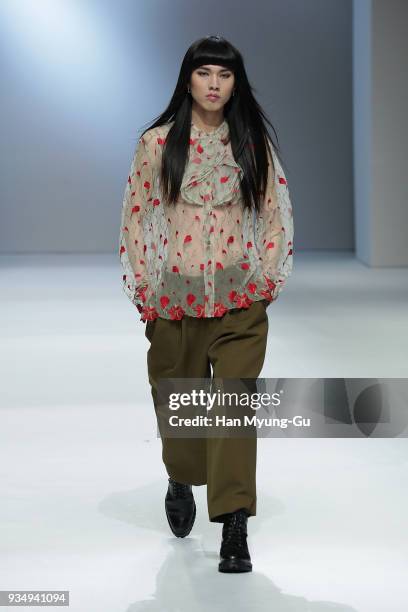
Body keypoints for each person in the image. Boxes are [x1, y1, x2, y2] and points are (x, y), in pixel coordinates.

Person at [119, 35, 294, 573]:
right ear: (188, 79)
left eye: (224, 75)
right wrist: (145, 292)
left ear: (236, 83)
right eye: (205, 74)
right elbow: (137, 217)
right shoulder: (157, 144)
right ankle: (180, 475)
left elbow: (273, 211)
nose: (214, 85)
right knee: (182, 413)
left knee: (234, 411)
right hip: (175, 299)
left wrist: (266, 281)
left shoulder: (250, 144)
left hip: (240, 299)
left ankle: (235, 523)